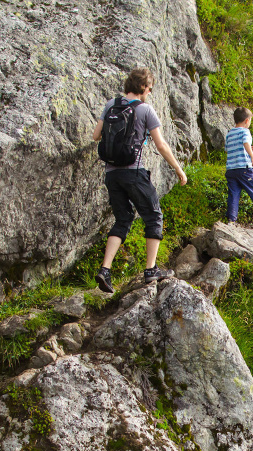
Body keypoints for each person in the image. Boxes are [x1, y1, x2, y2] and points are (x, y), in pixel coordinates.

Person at [92, 68, 188, 295]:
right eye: (150, 88)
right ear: (143, 87)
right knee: (153, 215)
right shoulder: (145, 110)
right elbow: (161, 145)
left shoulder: (110, 105)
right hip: (134, 172)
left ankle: (105, 270)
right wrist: (178, 169)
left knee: (123, 219)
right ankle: (151, 269)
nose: (150, 92)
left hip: (111, 174)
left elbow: (96, 136)